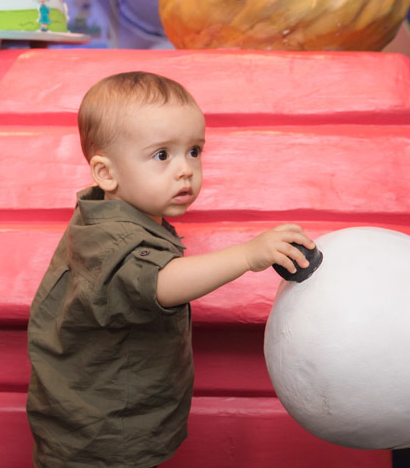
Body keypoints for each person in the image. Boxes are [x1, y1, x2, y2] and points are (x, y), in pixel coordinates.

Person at [26, 71, 314, 467]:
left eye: (194, 151)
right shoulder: (112, 240)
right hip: (104, 434)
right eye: (162, 155)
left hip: (106, 416)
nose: (185, 170)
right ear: (106, 173)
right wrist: (248, 256)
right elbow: (161, 283)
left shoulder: (117, 213)